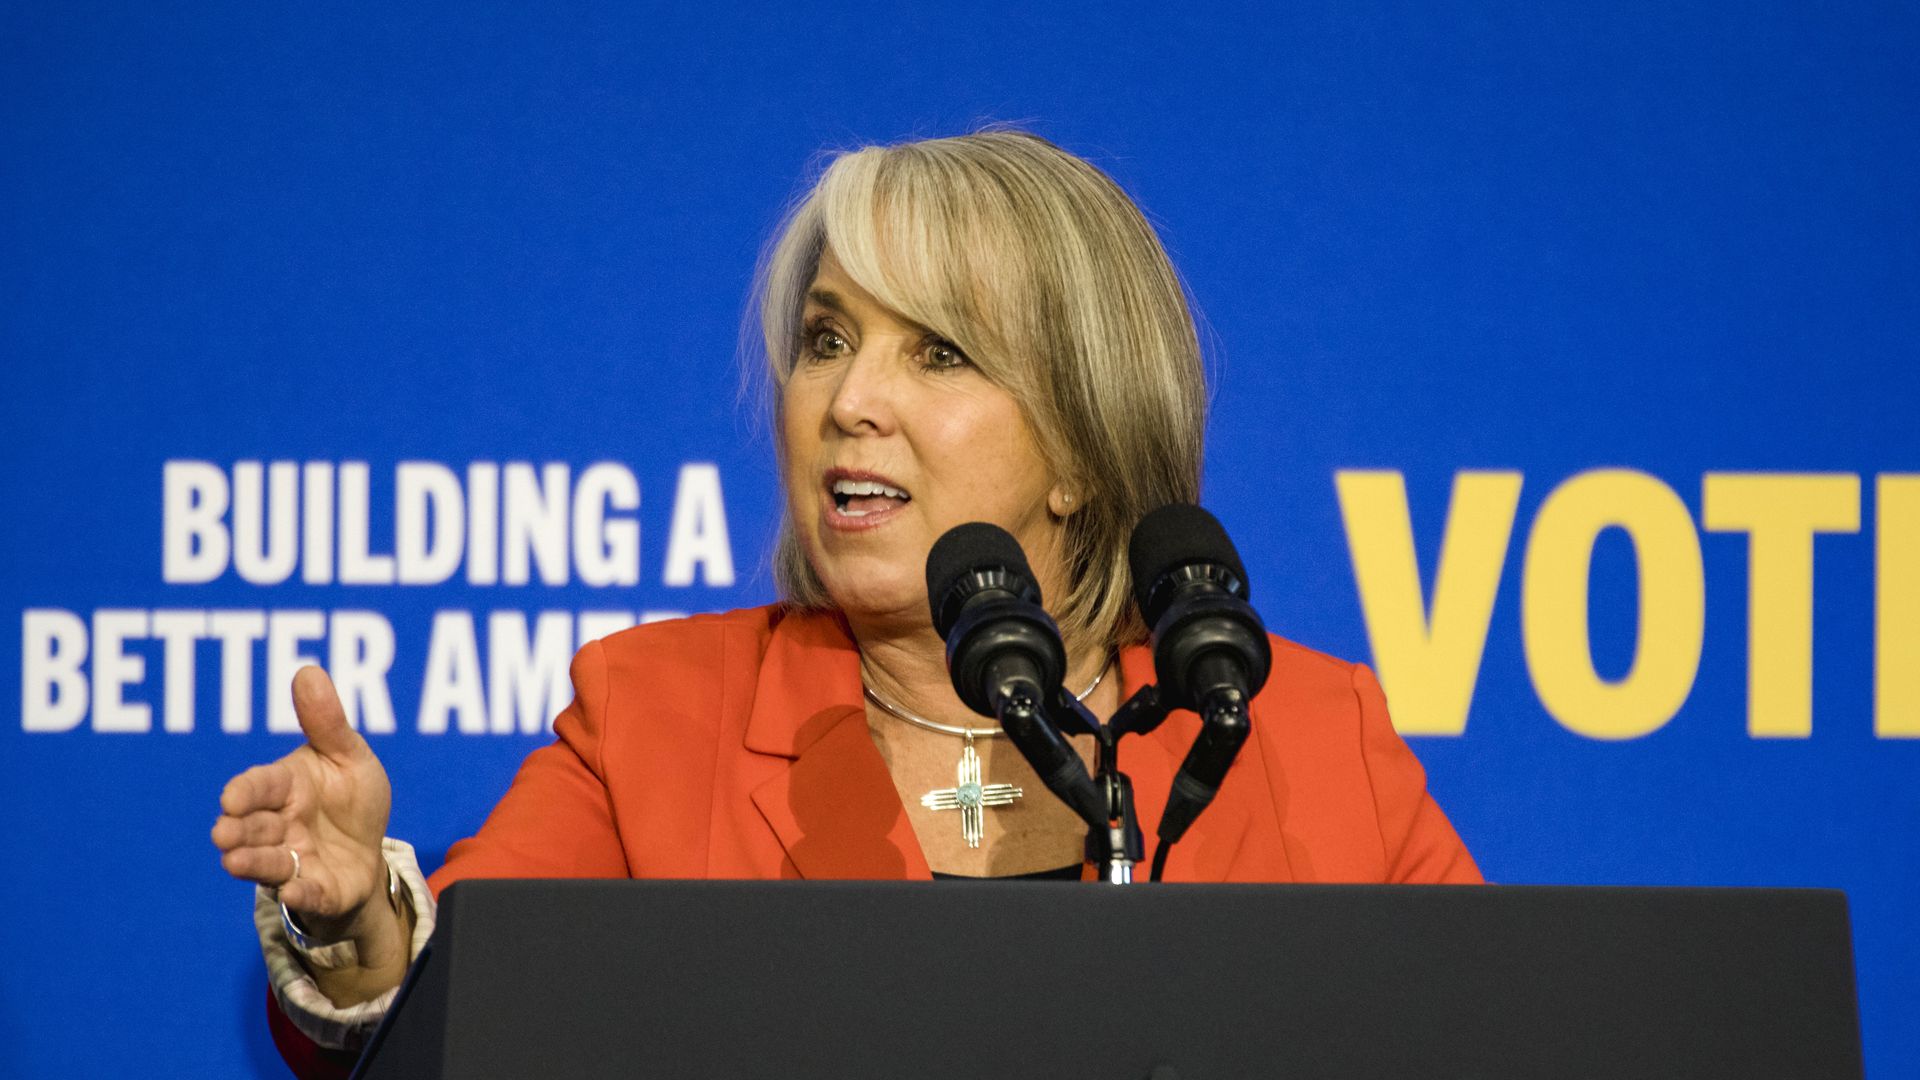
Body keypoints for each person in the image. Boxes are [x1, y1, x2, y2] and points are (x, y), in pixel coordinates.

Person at [212, 129, 1482, 1077]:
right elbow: (466, 1018)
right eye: (827, 339)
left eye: (937, 351)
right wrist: (361, 921)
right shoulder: (660, 715)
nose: (848, 401)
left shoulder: (1310, 732)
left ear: (1085, 450)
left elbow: (1491, 1040)